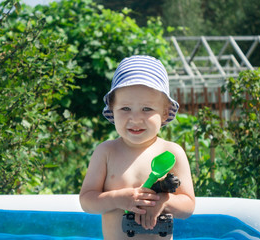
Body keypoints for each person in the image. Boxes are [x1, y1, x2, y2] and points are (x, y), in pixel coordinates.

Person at [80, 55, 195, 240]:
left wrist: (164, 201)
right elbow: (87, 201)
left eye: (147, 109)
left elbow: (188, 206)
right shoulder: (106, 152)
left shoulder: (172, 153)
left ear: (164, 113)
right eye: (125, 109)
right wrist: (117, 198)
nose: (135, 118)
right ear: (112, 108)